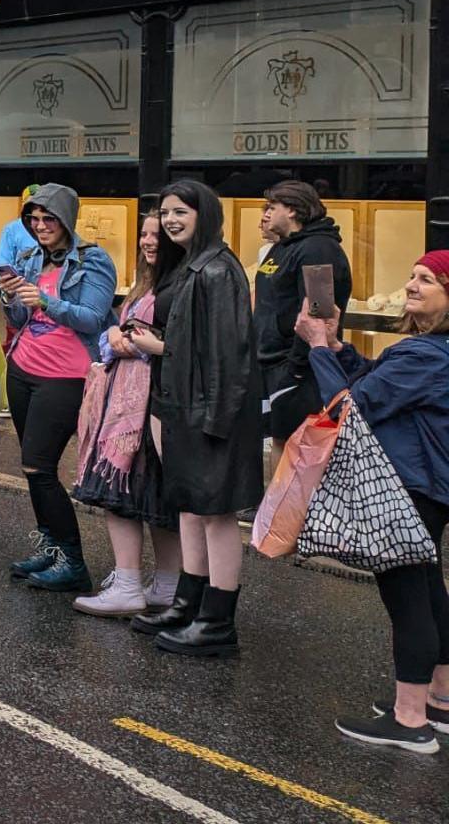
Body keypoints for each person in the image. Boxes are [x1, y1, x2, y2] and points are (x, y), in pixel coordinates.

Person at [299, 251, 449, 752]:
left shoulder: (425, 355)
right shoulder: (429, 350)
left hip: (404, 486)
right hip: (429, 487)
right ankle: (440, 699)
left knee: (407, 600)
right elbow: (373, 383)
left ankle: (410, 722)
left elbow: (350, 406)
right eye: (412, 274)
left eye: (426, 280)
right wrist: (339, 346)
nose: (411, 285)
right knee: (429, 591)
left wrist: (318, 347)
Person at [128, 180, 263, 657]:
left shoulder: (219, 271)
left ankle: (217, 621)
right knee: (189, 508)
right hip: (181, 403)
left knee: (215, 514)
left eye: (180, 211)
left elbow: (228, 354)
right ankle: (189, 603)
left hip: (208, 410)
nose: (170, 220)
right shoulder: (189, 265)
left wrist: (215, 420)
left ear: (204, 213)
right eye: (165, 213)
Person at [0, 183, 119, 592]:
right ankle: (50, 548)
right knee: (31, 470)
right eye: (33, 219)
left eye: (48, 218)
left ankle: (73, 561)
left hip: (66, 375)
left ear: (66, 218)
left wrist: (48, 302)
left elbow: (93, 316)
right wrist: (11, 298)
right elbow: (21, 314)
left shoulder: (93, 260)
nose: (40, 226)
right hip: (22, 368)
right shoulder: (30, 257)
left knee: (40, 465)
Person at [70, 213, 183, 617]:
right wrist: (113, 336)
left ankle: (129, 582)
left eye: (159, 235)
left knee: (123, 493)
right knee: (153, 494)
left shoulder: (176, 284)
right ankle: (167, 585)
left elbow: (174, 343)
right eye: (145, 234)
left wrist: (130, 341)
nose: (149, 242)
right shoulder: (150, 283)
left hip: (143, 405)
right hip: (135, 399)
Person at [253, 181, 351, 453]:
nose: (266, 214)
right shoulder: (281, 247)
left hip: (297, 369)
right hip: (269, 364)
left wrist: (295, 370)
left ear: (293, 210)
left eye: (272, 207)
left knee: (296, 450)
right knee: (278, 443)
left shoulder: (319, 249)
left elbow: (319, 314)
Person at [0, 185, 40, 274]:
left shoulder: (53, 228)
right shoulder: (12, 229)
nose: (36, 208)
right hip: (22, 285)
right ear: (24, 205)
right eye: (31, 204)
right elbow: (4, 265)